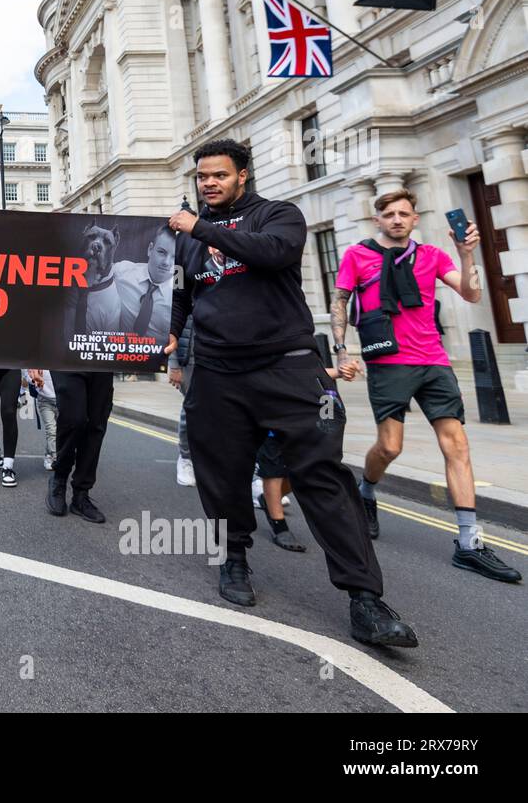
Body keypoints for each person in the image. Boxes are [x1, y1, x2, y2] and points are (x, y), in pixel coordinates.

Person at [167, 137, 417, 648]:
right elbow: (183, 295)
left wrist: (200, 227)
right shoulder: (189, 240)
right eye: (201, 176)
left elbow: (273, 254)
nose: (208, 183)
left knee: (323, 477)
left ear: (243, 174)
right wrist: (171, 338)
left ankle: (364, 600)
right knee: (221, 476)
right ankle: (233, 559)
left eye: (218, 174)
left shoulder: (278, 215)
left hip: (289, 367)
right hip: (216, 372)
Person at [332, 190, 520, 583]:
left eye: (404, 213)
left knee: (456, 443)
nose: (397, 219)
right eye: (389, 214)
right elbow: (341, 301)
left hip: (433, 359)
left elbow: (470, 294)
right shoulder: (357, 255)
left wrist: (467, 254)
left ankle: (468, 542)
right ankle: (366, 491)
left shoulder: (433, 256)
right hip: (388, 361)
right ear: (378, 220)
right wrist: (340, 352)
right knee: (390, 447)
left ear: (415, 219)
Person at [45, 370, 114, 522]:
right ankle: (60, 477)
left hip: (103, 361)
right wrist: (34, 362)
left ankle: (81, 494)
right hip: (67, 358)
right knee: (74, 419)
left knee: (96, 425)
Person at [114, 224, 175, 337]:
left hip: (160, 353)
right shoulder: (122, 272)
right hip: (119, 350)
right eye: (161, 252)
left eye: (175, 257)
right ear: (150, 249)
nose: (166, 262)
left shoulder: (181, 294)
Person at [167, 314, 195, 486]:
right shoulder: (186, 287)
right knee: (191, 410)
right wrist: (174, 364)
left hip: (219, 357)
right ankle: (185, 458)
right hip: (190, 359)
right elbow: (170, 324)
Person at [29, 369, 58, 472]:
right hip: (44, 400)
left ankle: (49, 454)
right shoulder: (40, 356)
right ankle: (55, 458)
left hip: (64, 399)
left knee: (60, 431)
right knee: (51, 430)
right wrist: (33, 380)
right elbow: (27, 374)